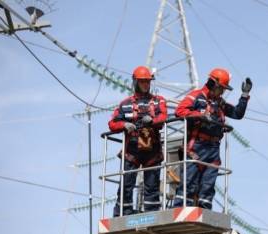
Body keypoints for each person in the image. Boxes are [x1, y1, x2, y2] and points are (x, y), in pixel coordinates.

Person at [173, 68, 252, 210]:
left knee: (208, 185)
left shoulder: (219, 103)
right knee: (189, 182)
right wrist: (200, 115)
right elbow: (180, 111)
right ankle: (181, 210)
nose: (222, 92)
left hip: (213, 149)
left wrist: (245, 95)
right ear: (213, 84)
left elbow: (237, 113)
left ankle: (204, 211)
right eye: (221, 88)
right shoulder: (196, 96)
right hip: (196, 146)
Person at [108, 66, 167, 216]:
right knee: (127, 182)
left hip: (152, 148)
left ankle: (152, 212)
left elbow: (163, 117)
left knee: (152, 184)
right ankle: (123, 211)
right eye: (142, 82)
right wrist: (124, 125)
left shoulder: (158, 101)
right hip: (132, 149)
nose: (146, 85)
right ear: (135, 82)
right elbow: (112, 123)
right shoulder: (125, 104)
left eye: (148, 82)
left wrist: (152, 121)